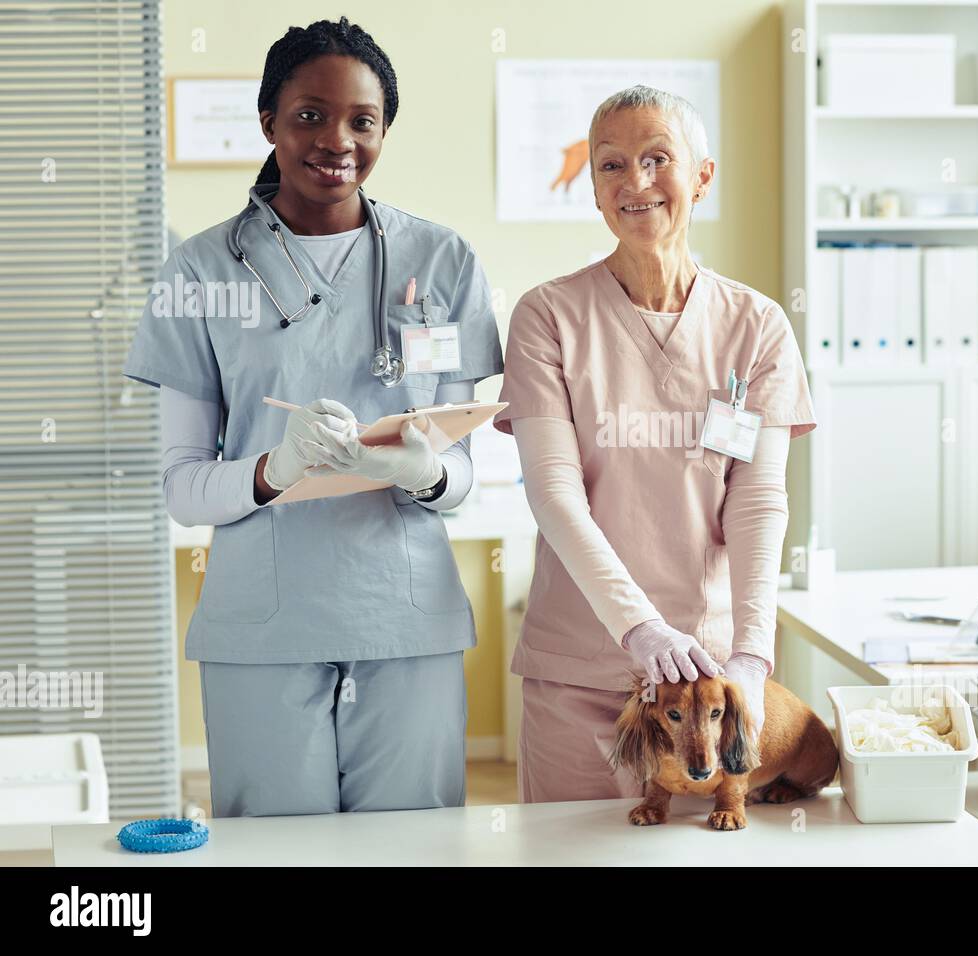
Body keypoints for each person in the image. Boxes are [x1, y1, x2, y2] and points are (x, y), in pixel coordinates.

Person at [123, 17, 502, 816]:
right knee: (275, 853)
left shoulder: (444, 262)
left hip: (406, 619)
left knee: (414, 848)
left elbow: (469, 477)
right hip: (263, 626)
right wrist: (275, 470)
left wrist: (425, 472)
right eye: (309, 115)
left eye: (362, 121)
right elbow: (182, 490)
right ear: (268, 121)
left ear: (384, 131)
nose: (337, 139)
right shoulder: (199, 271)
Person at [493, 85, 816, 803]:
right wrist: (638, 629)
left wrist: (754, 657)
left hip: (709, 684)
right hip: (580, 668)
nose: (634, 182)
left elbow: (758, 500)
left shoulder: (757, 326)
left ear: (701, 176)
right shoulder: (548, 316)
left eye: (657, 158)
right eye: (610, 165)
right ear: (594, 187)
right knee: (566, 854)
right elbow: (553, 492)